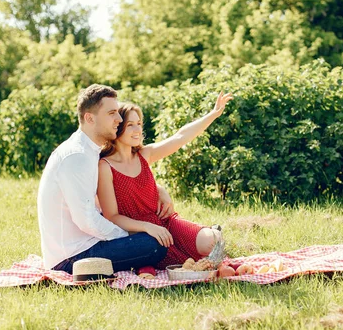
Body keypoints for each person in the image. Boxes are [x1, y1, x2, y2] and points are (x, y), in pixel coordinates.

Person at [37, 84, 175, 274]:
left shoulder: (89, 150)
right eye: (112, 113)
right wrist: (128, 235)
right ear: (89, 118)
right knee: (153, 245)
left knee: (153, 237)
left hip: (87, 243)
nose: (119, 119)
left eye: (118, 113)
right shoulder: (76, 156)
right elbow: (86, 220)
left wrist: (158, 189)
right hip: (71, 257)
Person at [97, 92, 233, 269]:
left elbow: (180, 137)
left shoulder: (144, 154)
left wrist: (213, 113)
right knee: (178, 262)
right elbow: (112, 216)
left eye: (139, 124)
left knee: (213, 241)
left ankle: (212, 231)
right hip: (141, 233)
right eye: (130, 125)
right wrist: (147, 227)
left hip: (166, 221)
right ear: (117, 127)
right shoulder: (105, 166)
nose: (137, 130)